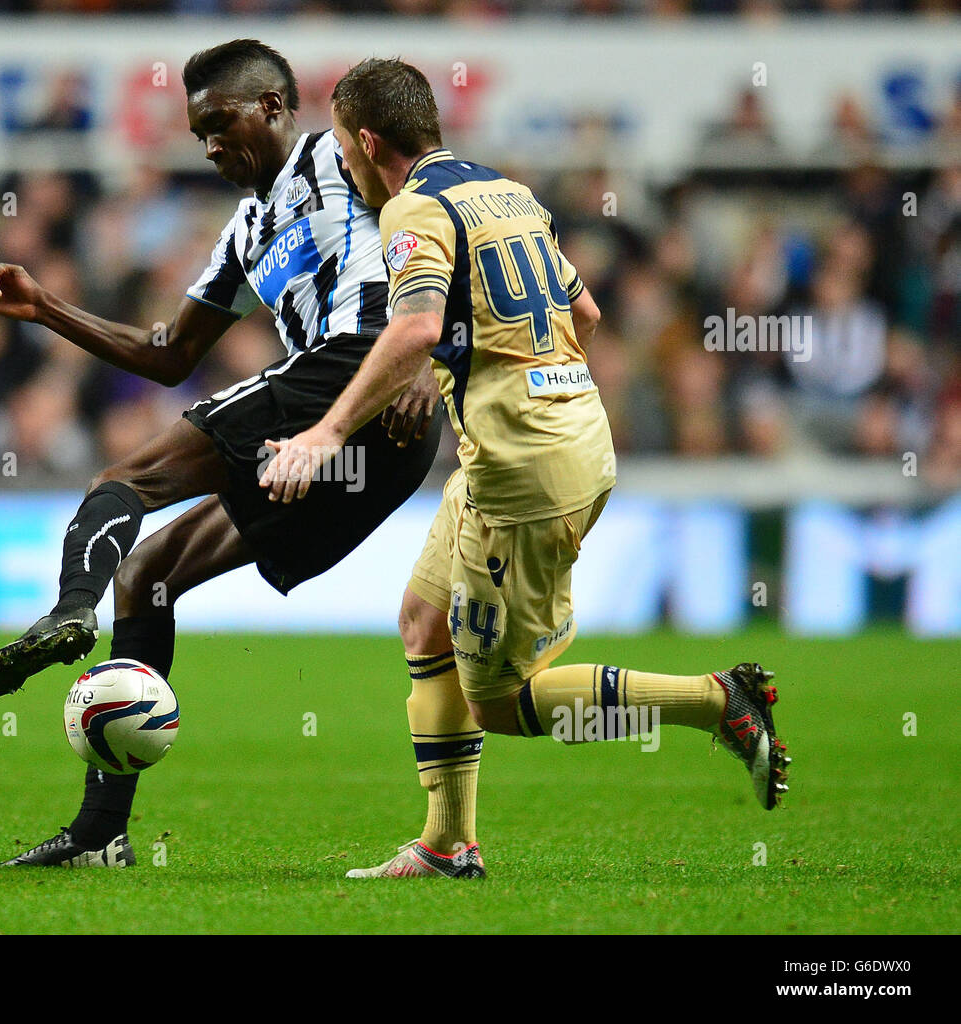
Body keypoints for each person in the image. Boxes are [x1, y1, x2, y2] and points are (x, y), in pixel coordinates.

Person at [261, 58, 791, 879]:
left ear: (367, 141)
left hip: (523, 469)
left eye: (341, 146)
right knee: (422, 621)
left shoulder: (411, 208)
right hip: (550, 440)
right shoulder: (503, 191)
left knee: (501, 703)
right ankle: (446, 844)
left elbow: (414, 328)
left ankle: (719, 703)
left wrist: (326, 434)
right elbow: (585, 310)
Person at [0, 40, 467, 869]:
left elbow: (459, 226)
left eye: (220, 123)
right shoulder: (244, 231)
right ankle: (99, 833)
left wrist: (434, 354)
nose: (209, 145)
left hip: (355, 371)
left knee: (124, 479)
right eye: (197, 133)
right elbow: (169, 353)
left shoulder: (347, 156)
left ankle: (67, 614)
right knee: (149, 575)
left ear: (272, 107)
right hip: (347, 439)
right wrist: (48, 306)